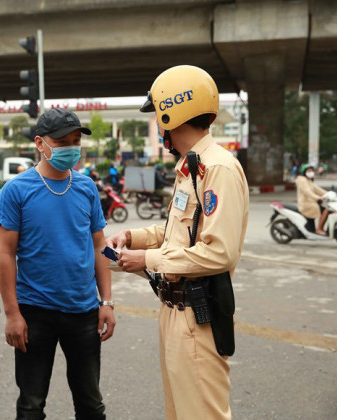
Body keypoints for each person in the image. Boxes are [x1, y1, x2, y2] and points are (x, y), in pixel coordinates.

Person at [106, 65, 249, 420]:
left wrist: (148, 260)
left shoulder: (218, 169)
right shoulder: (192, 167)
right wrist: (133, 237)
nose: (158, 123)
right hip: (174, 310)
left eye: (158, 115)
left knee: (201, 415)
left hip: (198, 315)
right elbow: (178, 232)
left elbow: (219, 252)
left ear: (174, 112)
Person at [0, 107, 115, 420]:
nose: (71, 148)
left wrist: (107, 302)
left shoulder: (87, 187)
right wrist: (12, 314)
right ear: (40, 143)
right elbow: (5, 254)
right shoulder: (16, 191)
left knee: (91, 404)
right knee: (31, 405)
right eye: (62, 141)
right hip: (35, 313)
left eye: (75, 140)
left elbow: (99, 244)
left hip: (84, 311)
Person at [296, 164, 328, 234]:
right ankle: (319, 229)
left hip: (310, 202)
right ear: (304, 172)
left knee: (326, 208)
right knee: (326, 209)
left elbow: (317, 189)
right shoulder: (302, 180)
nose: (310, 172)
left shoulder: (309, 180)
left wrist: (328, 194)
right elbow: (307, 192)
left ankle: (320, 228)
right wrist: (319, 198)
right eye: (308, 171)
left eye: (311, 170)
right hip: (305, 204)